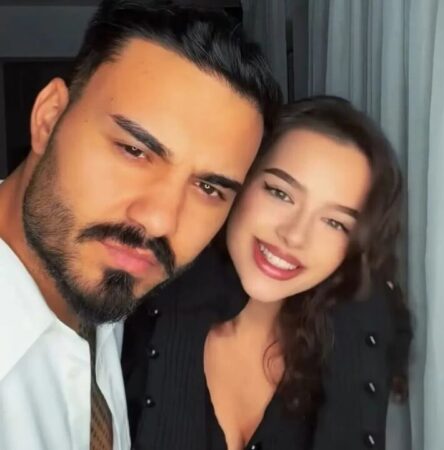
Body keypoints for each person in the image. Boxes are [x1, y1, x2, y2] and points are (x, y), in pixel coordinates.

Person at [0, 1, 281, 449]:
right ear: (48, 118)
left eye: (209, 188)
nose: (160, 220)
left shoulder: (111, 302)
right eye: (134, 151)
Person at [123, 96, 412, 450]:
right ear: (240, 180)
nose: (295, 235)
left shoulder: (352, 347)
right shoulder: (131, 302)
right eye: (280, 193)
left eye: (335, 222)